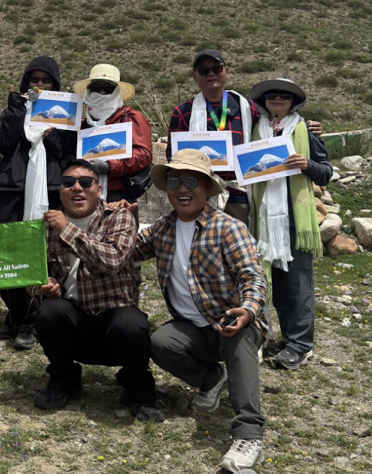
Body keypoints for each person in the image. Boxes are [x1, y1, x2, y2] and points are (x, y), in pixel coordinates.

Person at [129, 149, 269, 473]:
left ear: (207, 187)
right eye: (174, 180)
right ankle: (211, 379)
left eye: (192, 180)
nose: (182, 188)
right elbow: (125, 250)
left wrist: (247, 310)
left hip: (230, 321)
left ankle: (248, 435)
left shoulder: (227, 228)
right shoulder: (161, 230)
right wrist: (114, 216)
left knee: (243, 336)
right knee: (160, 342)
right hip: (191, 329)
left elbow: (253, 276)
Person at [31, 160, 163, 422]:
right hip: (74, 320)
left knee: (133, 324)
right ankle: (64, 379)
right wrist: (44, 287)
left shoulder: (119, 216)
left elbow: (113, 260)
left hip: (113, 322)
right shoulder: (47, 225)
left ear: (98, 188)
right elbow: (33, 277)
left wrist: (66, 230)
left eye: (85, 182)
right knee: (48, 312)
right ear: (60, 191)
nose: (77, 188)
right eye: (68, 183)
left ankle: (137, 388)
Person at [168, 50, 321, 225]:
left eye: (216, 68)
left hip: (241, 194)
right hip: (201, 195)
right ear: (194, 75)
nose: (211, 73)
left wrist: (306, 126)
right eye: (204, 70)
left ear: (226, 71)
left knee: (240, 247)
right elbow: (173, 156)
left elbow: (274, 129)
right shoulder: (183, 112)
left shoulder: (248, 108)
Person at [0, 56, 76, 351]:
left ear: (55, 84)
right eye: (34, 79)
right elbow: (2, 144)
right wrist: (16, 106)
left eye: (45, 80)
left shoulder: (64, 115)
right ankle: (17, 315)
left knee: (44, 254)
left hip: (50, 191)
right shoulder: (14, 108)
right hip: (12, 189)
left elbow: (69, 159)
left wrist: (52, 139)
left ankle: (34, 318)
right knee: (8, 254)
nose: (39, 85)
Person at [247, 79, 332, 371]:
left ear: (293, 101)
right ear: (265, 100)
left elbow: (325, 172)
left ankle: (300, 345)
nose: (278, 98)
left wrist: (307, 165)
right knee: (277, 283)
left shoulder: (305, 130)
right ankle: (286, 337)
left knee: (298, 283)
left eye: (285, 95)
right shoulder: (253, 130)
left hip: (295, 219)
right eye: (272, 94)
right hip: (263, 218)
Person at [72, 64, 153, 207]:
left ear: (116, 91)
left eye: (108, 88)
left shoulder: (131, 118)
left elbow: (144, 154)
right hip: (84, 196)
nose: (101, 93)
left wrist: (110, 166)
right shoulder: (84, 123)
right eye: (95, 88)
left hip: (119, 198)